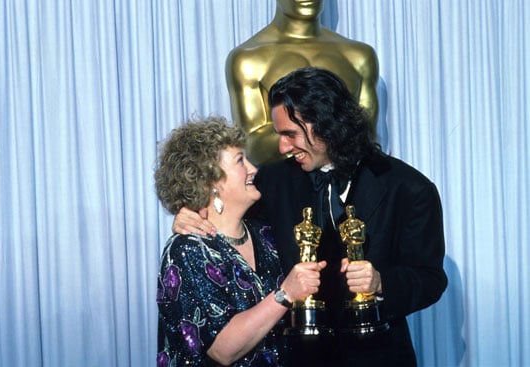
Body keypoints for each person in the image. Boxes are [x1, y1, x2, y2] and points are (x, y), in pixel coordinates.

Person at [173, 68, 448, 366]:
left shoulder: (410, 188)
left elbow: (430, 279)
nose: (282, 147)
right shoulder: (274, 181)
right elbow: (227, 210)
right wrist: (189, 213)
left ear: (327, 124)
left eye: (290, 134)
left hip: (378, 355)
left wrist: (382, 282)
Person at [155, 116, 326, 367]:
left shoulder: (266, 234)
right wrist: (285, 294)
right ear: (209, 182)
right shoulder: (186, 251)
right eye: (240, 161)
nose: (253, 169)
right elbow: (222, 350)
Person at [226, 0, 380, 166]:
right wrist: (329, 130)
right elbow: (253, 144)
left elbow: (366, 133)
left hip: (350, 182)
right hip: (285, 185)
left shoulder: (359, 56)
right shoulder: (248, 60)